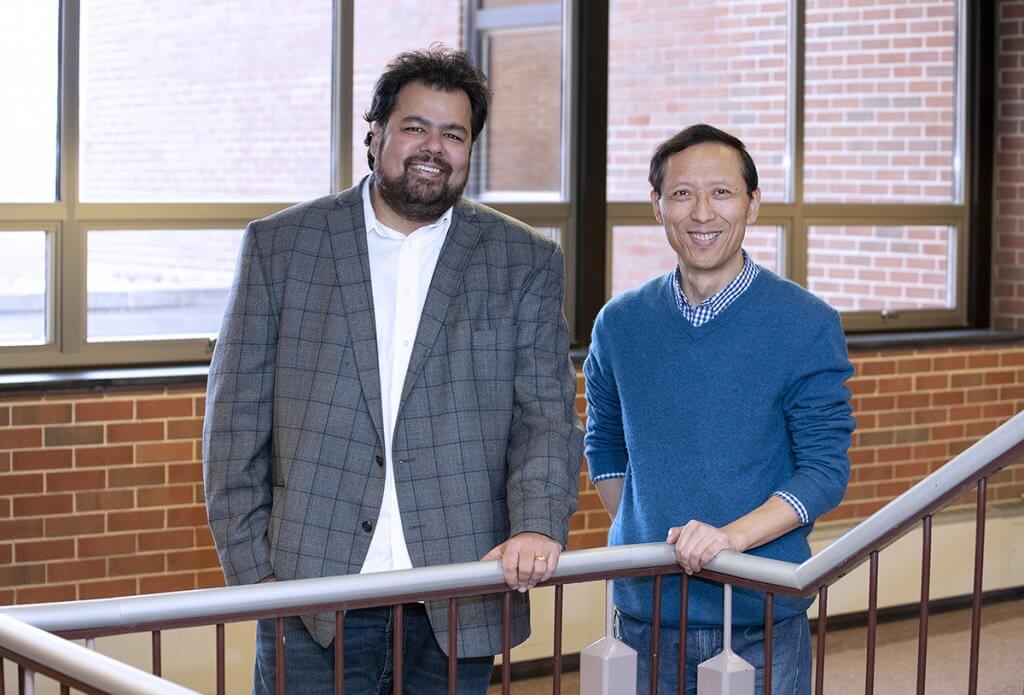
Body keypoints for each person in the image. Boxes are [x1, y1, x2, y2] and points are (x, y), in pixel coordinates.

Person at [203, 47, 583, 695]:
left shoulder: (525, 260)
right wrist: (253, 574)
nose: (433, 147)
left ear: (471, 149)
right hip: (309, 594)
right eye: (415, 127)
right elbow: (235, 422)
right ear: (375, 134)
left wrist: (536, 522)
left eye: (454, 134)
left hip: (459, 587)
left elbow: (545, 417)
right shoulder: (282, 246)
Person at [583, 123, 855, 695]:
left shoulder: (806, 323)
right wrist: (645, 530)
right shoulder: (620, 323)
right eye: (682, 194)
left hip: (759, 616)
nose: (702, 212)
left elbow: (824, 473)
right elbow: (604, 444)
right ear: (657, 206)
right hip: (641, 612)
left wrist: (729, 539)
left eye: (722, 192)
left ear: (753, 204)